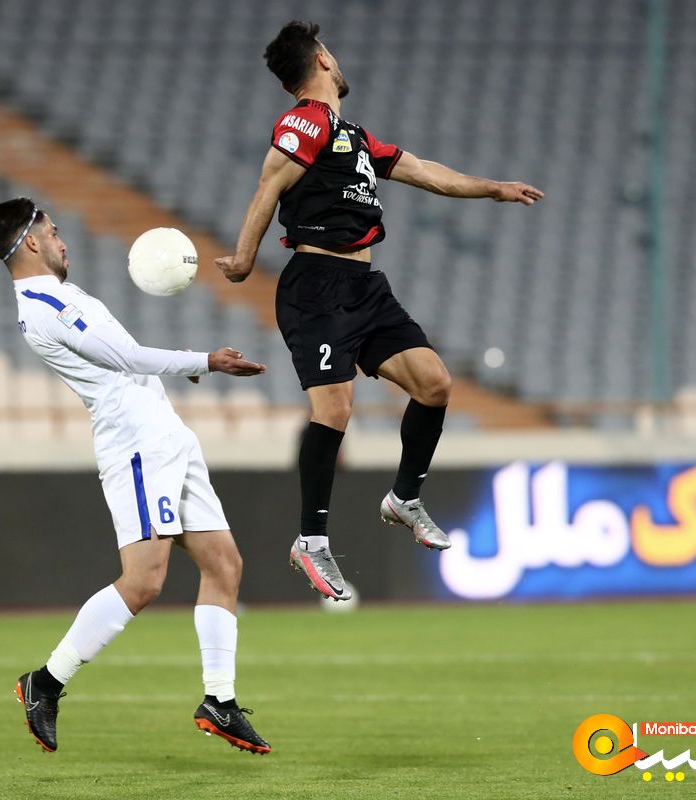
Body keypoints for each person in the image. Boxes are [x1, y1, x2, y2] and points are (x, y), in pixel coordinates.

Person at [215, 21, 543, 600]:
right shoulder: (305, 121)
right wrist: (244, 258)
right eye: (331, 52)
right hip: (316, 287)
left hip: (364, 286)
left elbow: (428, 173)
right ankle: (311, 540)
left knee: (434, 384)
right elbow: (269, 183)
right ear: (321, 60)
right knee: (335, 408)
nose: (337, 59)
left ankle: (404, 497)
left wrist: (494, 188)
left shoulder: (353, 137)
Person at [0, 197, 271, 753]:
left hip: (165, 434)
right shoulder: (46, 304)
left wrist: (178, 363)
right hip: (137, 446)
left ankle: (220, 701)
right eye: (54, 231)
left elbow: (123, 359)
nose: (63, 241)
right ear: (32, 241)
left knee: (224, 564)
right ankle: (46, 682)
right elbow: (128, 357)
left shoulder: (57, 295)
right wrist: (203, 361)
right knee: (143, 581)